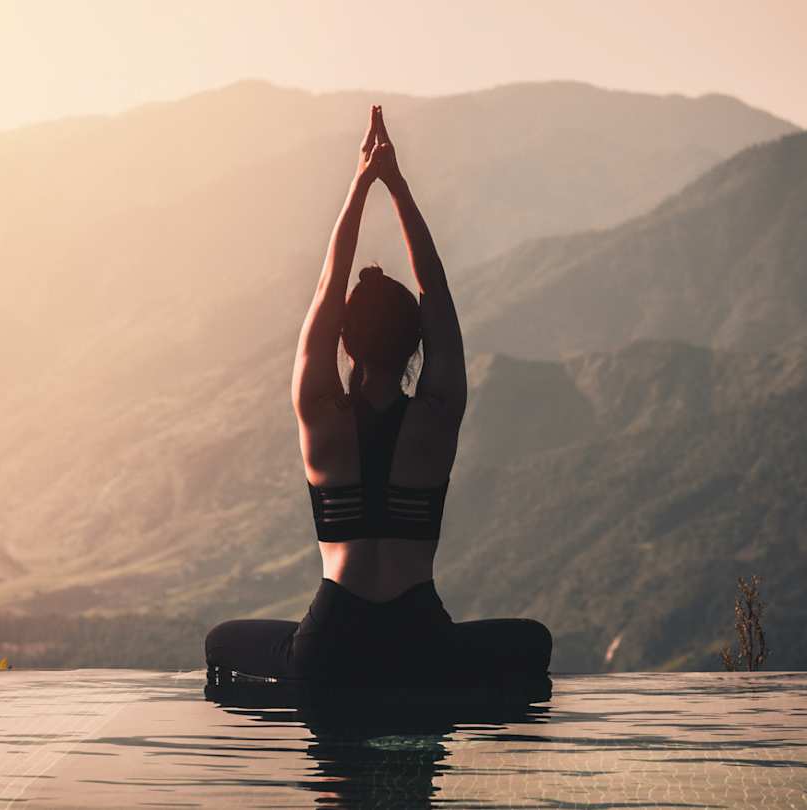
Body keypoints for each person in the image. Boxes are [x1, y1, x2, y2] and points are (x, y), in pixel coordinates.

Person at [205, 106, 552, 685]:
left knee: (221, 644)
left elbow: (327, 286)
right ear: (416, 339)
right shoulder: (437, 414)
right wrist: (398, 186)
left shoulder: (319, 415)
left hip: (329, 649)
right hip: (422, 645)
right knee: (533, 643)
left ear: (345, 341)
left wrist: (360, 183)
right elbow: (435, 288)